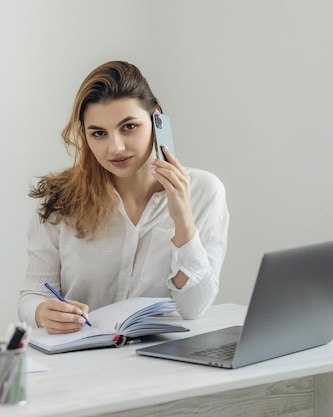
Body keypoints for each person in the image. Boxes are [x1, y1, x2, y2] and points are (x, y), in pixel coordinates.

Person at [18, 61, 229, 334]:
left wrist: (183, 221)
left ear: (157, 119)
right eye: (98, 133)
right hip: (79, 360)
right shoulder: (60, 200)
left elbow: (194, 307)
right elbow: (32, 295)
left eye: (129, 127)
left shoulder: (204, 191)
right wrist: (41, 311)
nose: (115, 147)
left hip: (160, 362)